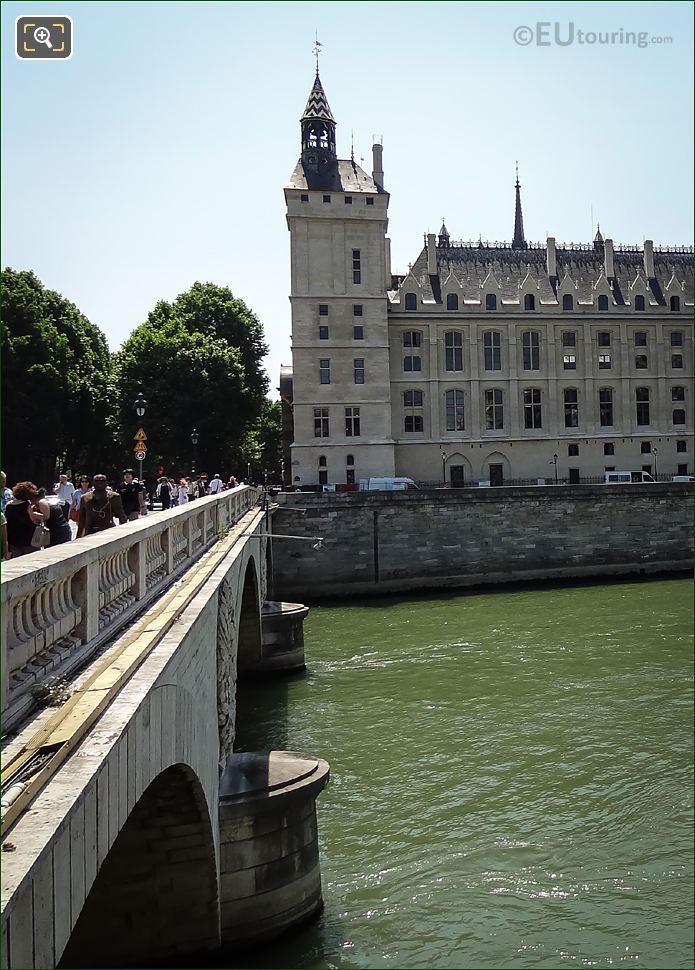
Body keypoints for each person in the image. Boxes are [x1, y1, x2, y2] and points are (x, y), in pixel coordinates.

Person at [4, 482, 45, 557]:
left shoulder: (9, 507)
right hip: (30, 541)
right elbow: (36, 522)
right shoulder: (29, 506)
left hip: (14, 541)